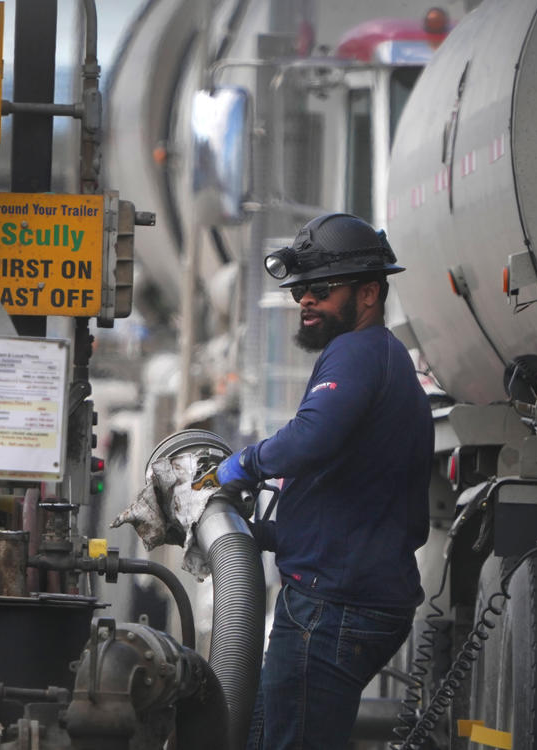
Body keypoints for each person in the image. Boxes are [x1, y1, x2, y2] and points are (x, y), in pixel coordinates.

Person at [215, 213, 434, 750]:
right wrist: (269, 533)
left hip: (333, 607)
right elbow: (352, 488)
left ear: (369, 294)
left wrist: (242, 464)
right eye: (300, 291)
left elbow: (311, 439)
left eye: (320, 289)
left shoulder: (358, 352)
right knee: (266, 733)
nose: (305, 300)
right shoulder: (383, 358)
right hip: (338, 598)